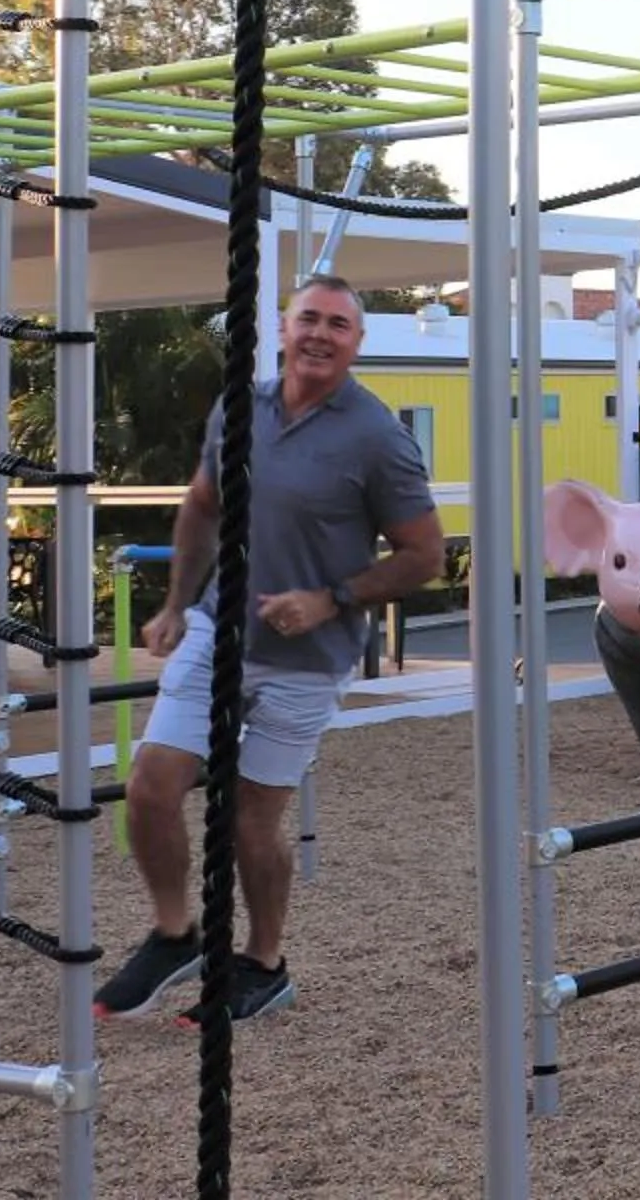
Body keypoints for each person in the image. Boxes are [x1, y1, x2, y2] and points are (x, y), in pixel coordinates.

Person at [94, 274, 445, 1027]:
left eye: (338, 325)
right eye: (308, 319)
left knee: (252, 818)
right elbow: (201, 504)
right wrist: (177, 604)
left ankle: (263, 962)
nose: (320, 334)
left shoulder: (378, 437)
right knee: (149, 786)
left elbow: (425, 556)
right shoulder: (239, 407)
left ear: (357, 343)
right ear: (284, 330)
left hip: (308, 659)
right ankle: (174, 935)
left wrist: (331, 598)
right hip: (220, 630)